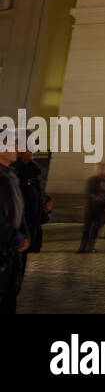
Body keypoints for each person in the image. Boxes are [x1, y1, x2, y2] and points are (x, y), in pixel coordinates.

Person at [0, 128, 31, 314]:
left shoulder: (11, 176)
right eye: (12, 143)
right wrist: (17, 238)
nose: (17, 148)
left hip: (10, 252)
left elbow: (19, 210)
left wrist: (25, 234)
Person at [79, 165, 105, 253]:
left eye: (101, 168)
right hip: (90, 208)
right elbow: (87, 192)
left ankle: (91, 247)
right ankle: (82, 247)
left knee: (95, 228)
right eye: (98, 168)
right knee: (86, 227)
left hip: (100, 209)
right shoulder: (91, 180)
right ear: (95, 170)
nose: (100, 170)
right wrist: (94, 197)